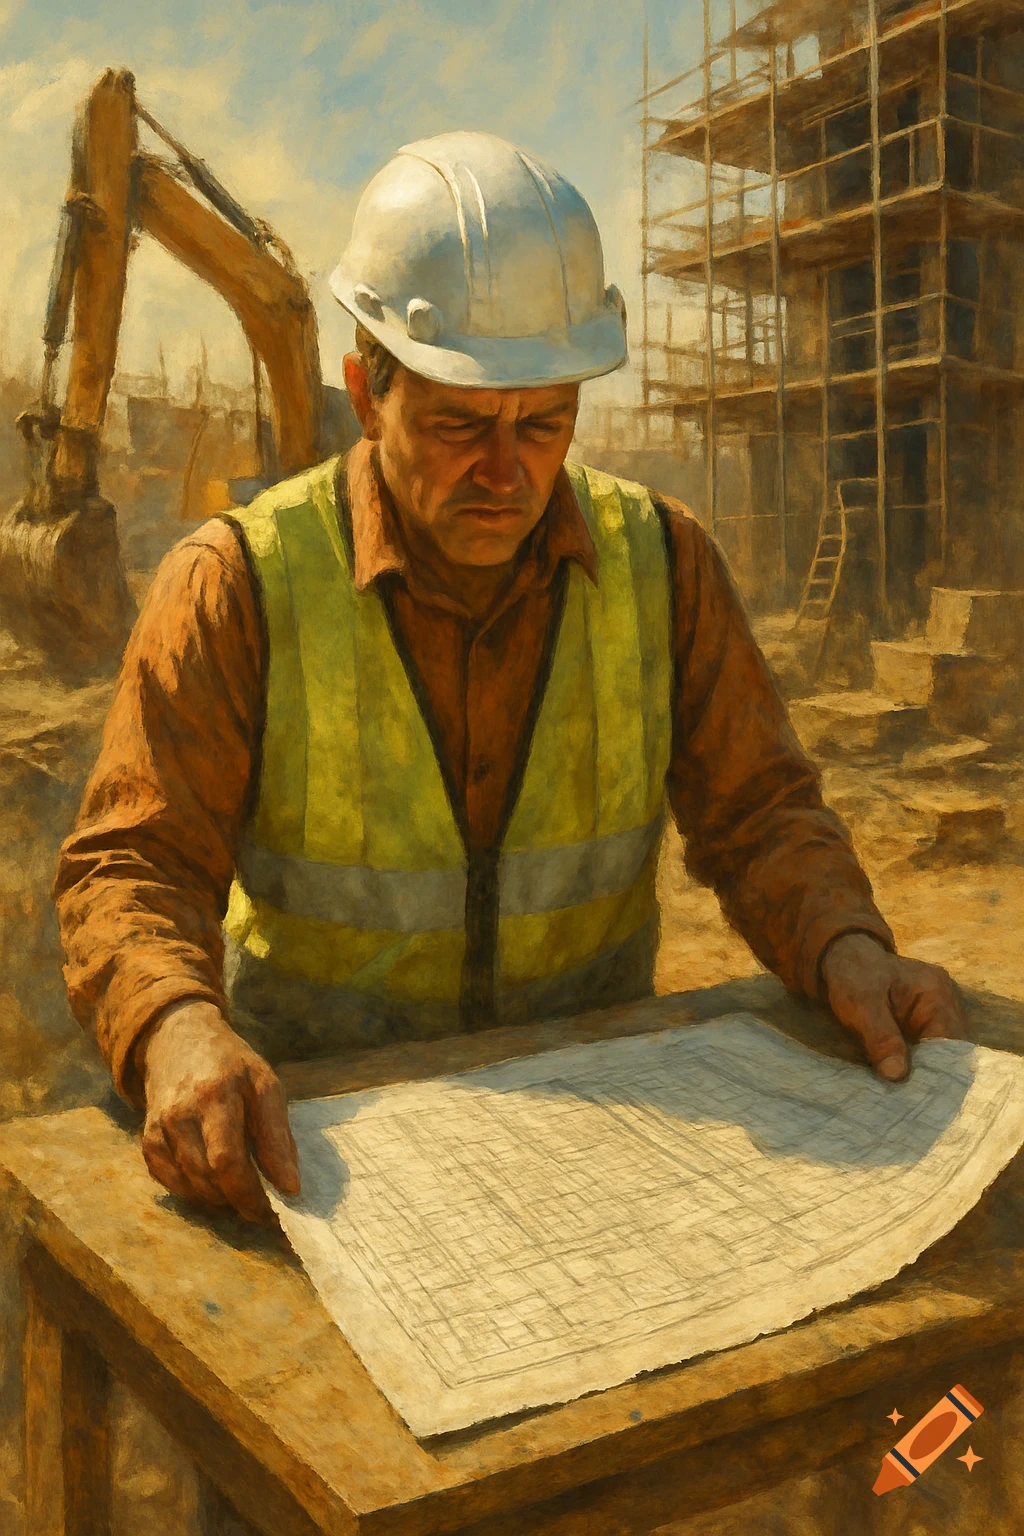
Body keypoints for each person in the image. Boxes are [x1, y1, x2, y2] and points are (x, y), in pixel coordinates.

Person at [55, 132, 963, 1223]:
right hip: (317, 1150)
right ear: (363, 388)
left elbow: (762, 813)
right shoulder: (234, 583)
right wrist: (175, 1027)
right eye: (457, 424)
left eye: (545, 424)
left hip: (603, 1129)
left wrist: (844, 944)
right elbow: (132, 865)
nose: (507, 470)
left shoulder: (663, 565)